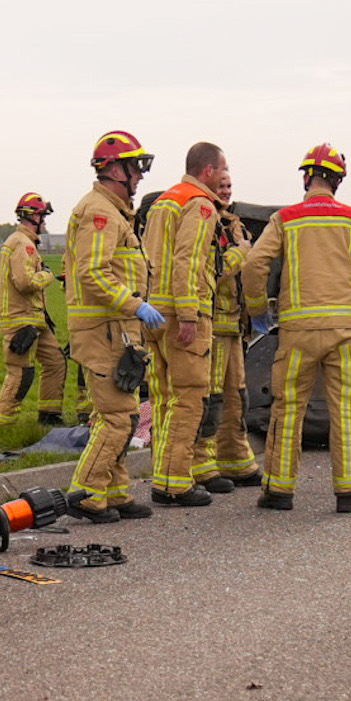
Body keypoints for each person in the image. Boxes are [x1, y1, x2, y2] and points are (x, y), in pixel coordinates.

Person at [241, 143, 351, 512]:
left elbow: (255, 264)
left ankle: (278, 492)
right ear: (338, 182)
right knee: (346, 410)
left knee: (287, 410)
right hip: (345, 333)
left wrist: (257, 311)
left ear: (306, 177)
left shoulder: (285, 219)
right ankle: (350, 494)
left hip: (297, 332)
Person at [63, 130, 164, 523]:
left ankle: (116, 494)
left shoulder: (117, 212)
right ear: (115, 169)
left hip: (116, 329)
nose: (139, 176)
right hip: (102, 329)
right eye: (135, 168)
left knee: (125, 413)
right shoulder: (99, 212)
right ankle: (86, 493)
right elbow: (92, 272)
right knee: (116, 417)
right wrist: (136, 305)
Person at [141, 143, 227, 506]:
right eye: (222, 169)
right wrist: (190, 315)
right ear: (208, 170)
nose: (225, 176)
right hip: (181, 314)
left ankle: (163, 476)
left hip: (154, 311)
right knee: (190, 398)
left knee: (163, 399)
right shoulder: (200, 203)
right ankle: (176, 483)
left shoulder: (164, 200)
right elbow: (188, 260)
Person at [201, 166, 262, 488]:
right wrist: (241, 253)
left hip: (234, 323)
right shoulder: (204, 219)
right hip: (210, 324)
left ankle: (235, 459)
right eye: (221, 185)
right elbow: (214, 271)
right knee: (209, 398)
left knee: (236, 396)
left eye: (229, 185)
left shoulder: (233, 223)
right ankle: (204, 464)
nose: (226, 191)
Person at [0, 192, 67, 427]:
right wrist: (46, 275)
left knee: (56, 361)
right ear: (33, 216)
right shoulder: (23, 244)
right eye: (43, 217)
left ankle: (49, 414)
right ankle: (2, 424)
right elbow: (25, 283)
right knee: (21, 373)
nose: (44, 222)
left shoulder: (25, 243)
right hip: (20, 321)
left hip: (35, 321)